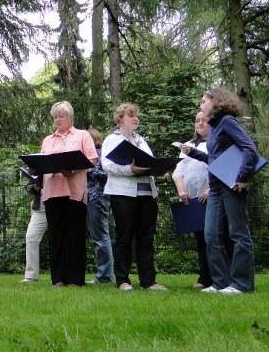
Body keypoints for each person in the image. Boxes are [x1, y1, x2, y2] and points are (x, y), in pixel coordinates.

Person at [181, 88, 258, 295]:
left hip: (231, 185)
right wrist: (193, 152)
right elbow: (215, 159)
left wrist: (242, 177)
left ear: (216, 103)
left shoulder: (227, 121)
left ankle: (241, 284)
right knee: (211, 235)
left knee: (238, 233)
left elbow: (249, 148)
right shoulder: (215, 127)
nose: (201, 105)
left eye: (203, 101)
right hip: (215, 187)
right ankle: (221, 282)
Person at [102, 103, 166, 291]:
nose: (135, 118)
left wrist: (163, 167)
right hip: (124, 194)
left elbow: (150, 163)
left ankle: (149, 280)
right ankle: (122, 280)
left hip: (147, 194)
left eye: (136, 115)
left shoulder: (141, 140)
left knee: (146, 238)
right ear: (120, 119)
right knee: (124, 237)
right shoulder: (112, 139)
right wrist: (130, 169)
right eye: (131, 115)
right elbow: (107, 165)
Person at [34, 102, 97, 288]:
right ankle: (58, 279)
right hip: (52, 191)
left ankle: (75, 279)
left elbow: (93, 159)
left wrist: (73, 168)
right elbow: (43, 161)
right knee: (56, 236)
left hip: (74, 191)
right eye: (55, 117)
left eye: (61, 116)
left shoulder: (82, 135)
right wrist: (35, 167)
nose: (57, 120)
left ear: (71, 117)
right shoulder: (48, 140)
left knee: (74, 235)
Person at [172, 111, 213, 289]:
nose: (200, 123)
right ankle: (204, 278)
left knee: (216, 237)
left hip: (214, 197)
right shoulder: (188, 146)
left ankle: (222, 277)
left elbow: (222, 167)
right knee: (201, 240)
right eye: (197, 120)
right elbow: (178, 171)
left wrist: (211, 190)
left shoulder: (216, 144)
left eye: (204, 120)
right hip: (194, 201)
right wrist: (182, 191)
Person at [85, 128, 114, 284]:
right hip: (86, 198)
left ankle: (105, 276)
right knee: (96, 236)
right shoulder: (85, 156)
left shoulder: (101, 154)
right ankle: (103, 274)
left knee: (101, 236)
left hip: (98, 197)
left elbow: (108, 175)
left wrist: (90, 170)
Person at [19, 176, 47, 283]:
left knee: (60, 241)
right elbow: (29, 187)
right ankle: (31, 276)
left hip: (58, 208)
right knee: (31, 237)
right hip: (39, 210)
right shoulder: (37, 168)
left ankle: (61, 277)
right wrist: (34, 187)